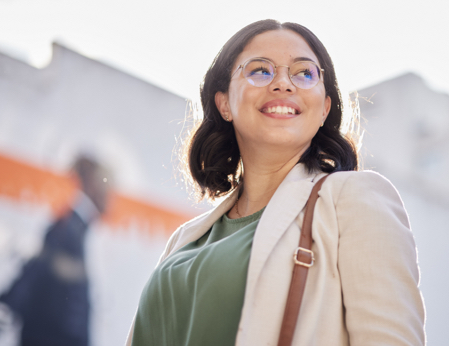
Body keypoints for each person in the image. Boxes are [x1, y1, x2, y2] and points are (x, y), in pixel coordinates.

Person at [127, 19, 425, 345]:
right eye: (260, 70)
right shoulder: (186, 238)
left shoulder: (353, 200)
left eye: (304, 73)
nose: (283, 83)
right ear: (224, 102)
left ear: (325, 108)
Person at [0, 155, 111, 346]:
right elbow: (35, 275)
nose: (110, 197)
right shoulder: (68, 229)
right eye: (107, 187)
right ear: (93, 186)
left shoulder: (78, 229)